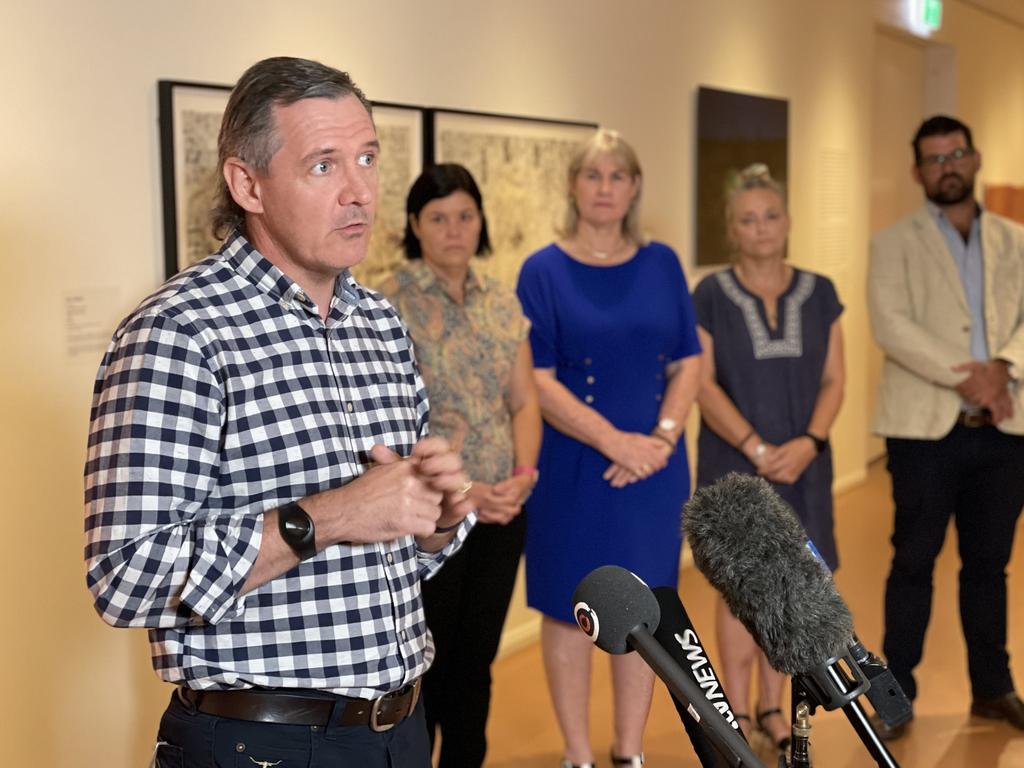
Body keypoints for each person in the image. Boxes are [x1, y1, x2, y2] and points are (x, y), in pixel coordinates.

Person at [84, 57, 477, 768]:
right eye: (324, 166)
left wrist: (437, 515)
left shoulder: (377, 323)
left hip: (401, 731)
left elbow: (399, 550)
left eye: (366, 158)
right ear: (247, 184)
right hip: (260, 743)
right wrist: (333, 515)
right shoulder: (179, 333)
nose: (360, 191)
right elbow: (125, 577)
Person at [516, 129, 702, 768]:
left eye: (617, 176)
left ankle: (629, 752)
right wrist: (614, 440)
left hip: (654, 471)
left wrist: (660, 439)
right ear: (573, 185)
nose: (604, 188)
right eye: (592, 175)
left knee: (644, 614)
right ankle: (577, 754)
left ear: (634, 187)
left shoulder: (663, 264)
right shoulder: (541, 269)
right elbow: (536, 379)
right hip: (572, 468)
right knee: (571, 610)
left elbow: (689, 360)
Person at [376, 163, 542, 767]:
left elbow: (523, 401)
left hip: (502, 513)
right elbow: (388, 430)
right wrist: (468, 492)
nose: (453, 229)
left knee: (476, 660)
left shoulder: (503, 301)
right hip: (428, 520)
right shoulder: (386, 306)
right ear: (415, 225)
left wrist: (521, 480)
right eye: (438, 217)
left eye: (465, 216)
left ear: (481, 222)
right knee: (430, 661)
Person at [868, 114, 1024, 738]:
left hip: (1004, 432)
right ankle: (894, 693)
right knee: (913, 562)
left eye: (956, 154)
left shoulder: (1015, 238)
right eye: (934, 159)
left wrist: (1006, 367)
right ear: (917, 172)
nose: (947, 166)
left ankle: (993, 688)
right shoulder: (893, 242)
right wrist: (973, 376)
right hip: (925, 432)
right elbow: (892, 324)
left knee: (990, 566)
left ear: (976, 157)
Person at [691, 163, 845, 751]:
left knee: (791, 590)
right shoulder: (710, 294)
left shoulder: (821, 291)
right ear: (732, 229)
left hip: (805, 462)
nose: (761, 229)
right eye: (747, 220)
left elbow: (835, 379)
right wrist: (756, 448)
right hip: (734, 466)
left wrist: (809, 442)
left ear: (788, 222)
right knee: (738, 592)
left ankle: (774, 709)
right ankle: (732, 713)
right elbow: (702, 383)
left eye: (770, 216)